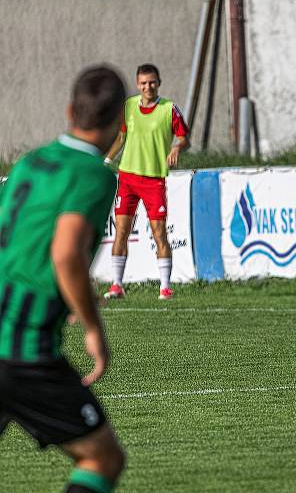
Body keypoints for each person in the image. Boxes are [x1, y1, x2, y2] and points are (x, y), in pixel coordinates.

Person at [0, 65, 127, 493]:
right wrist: (92, 325)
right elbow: (66, 252)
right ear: (118, 127)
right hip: (21, 349)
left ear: (70, 110)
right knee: (102, 457)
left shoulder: (30, 162)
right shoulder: (94, 174)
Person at [103, 63, 190, 301]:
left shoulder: (169, 108)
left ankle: (164, 287)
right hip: (128, 178)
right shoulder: (129, 106)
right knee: (121, 231)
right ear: (137, 84)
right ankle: (117, 285)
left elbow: (183, 137)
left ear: (158, 83)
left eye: (151, 82)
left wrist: (176, 147)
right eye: (143, 83)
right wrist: (107, 159)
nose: (147, 87)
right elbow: (121, 136)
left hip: (154, 180)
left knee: (159, 232)